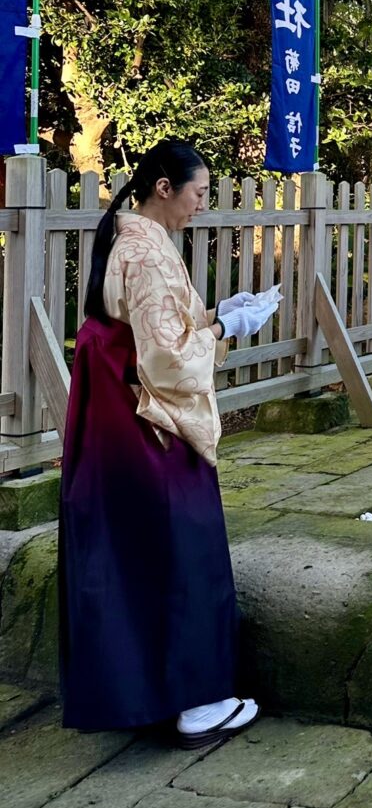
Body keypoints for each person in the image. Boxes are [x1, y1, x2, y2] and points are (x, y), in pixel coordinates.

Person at [58, 138, 280, 746]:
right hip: (147, 414)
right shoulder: (148, 253)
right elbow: (169, 358)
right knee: (183, 541)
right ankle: (197, 699)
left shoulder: (128, 238)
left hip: (114, 409)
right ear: (164, 188)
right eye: (199, 193)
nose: (203, 204)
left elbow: (154, 330)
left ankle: (143, 690)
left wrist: (215, 315)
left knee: (130, 545)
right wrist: (226, 325)